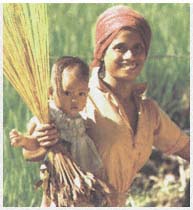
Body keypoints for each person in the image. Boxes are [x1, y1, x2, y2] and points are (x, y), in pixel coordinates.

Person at [22, 6, 190, 206]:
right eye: (120, 47)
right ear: (102, 52)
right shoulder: (82, 95)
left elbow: (183, 146)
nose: (130, 56)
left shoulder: (148, 112)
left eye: (138, 48)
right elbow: (32, 149)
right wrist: (42, 139)